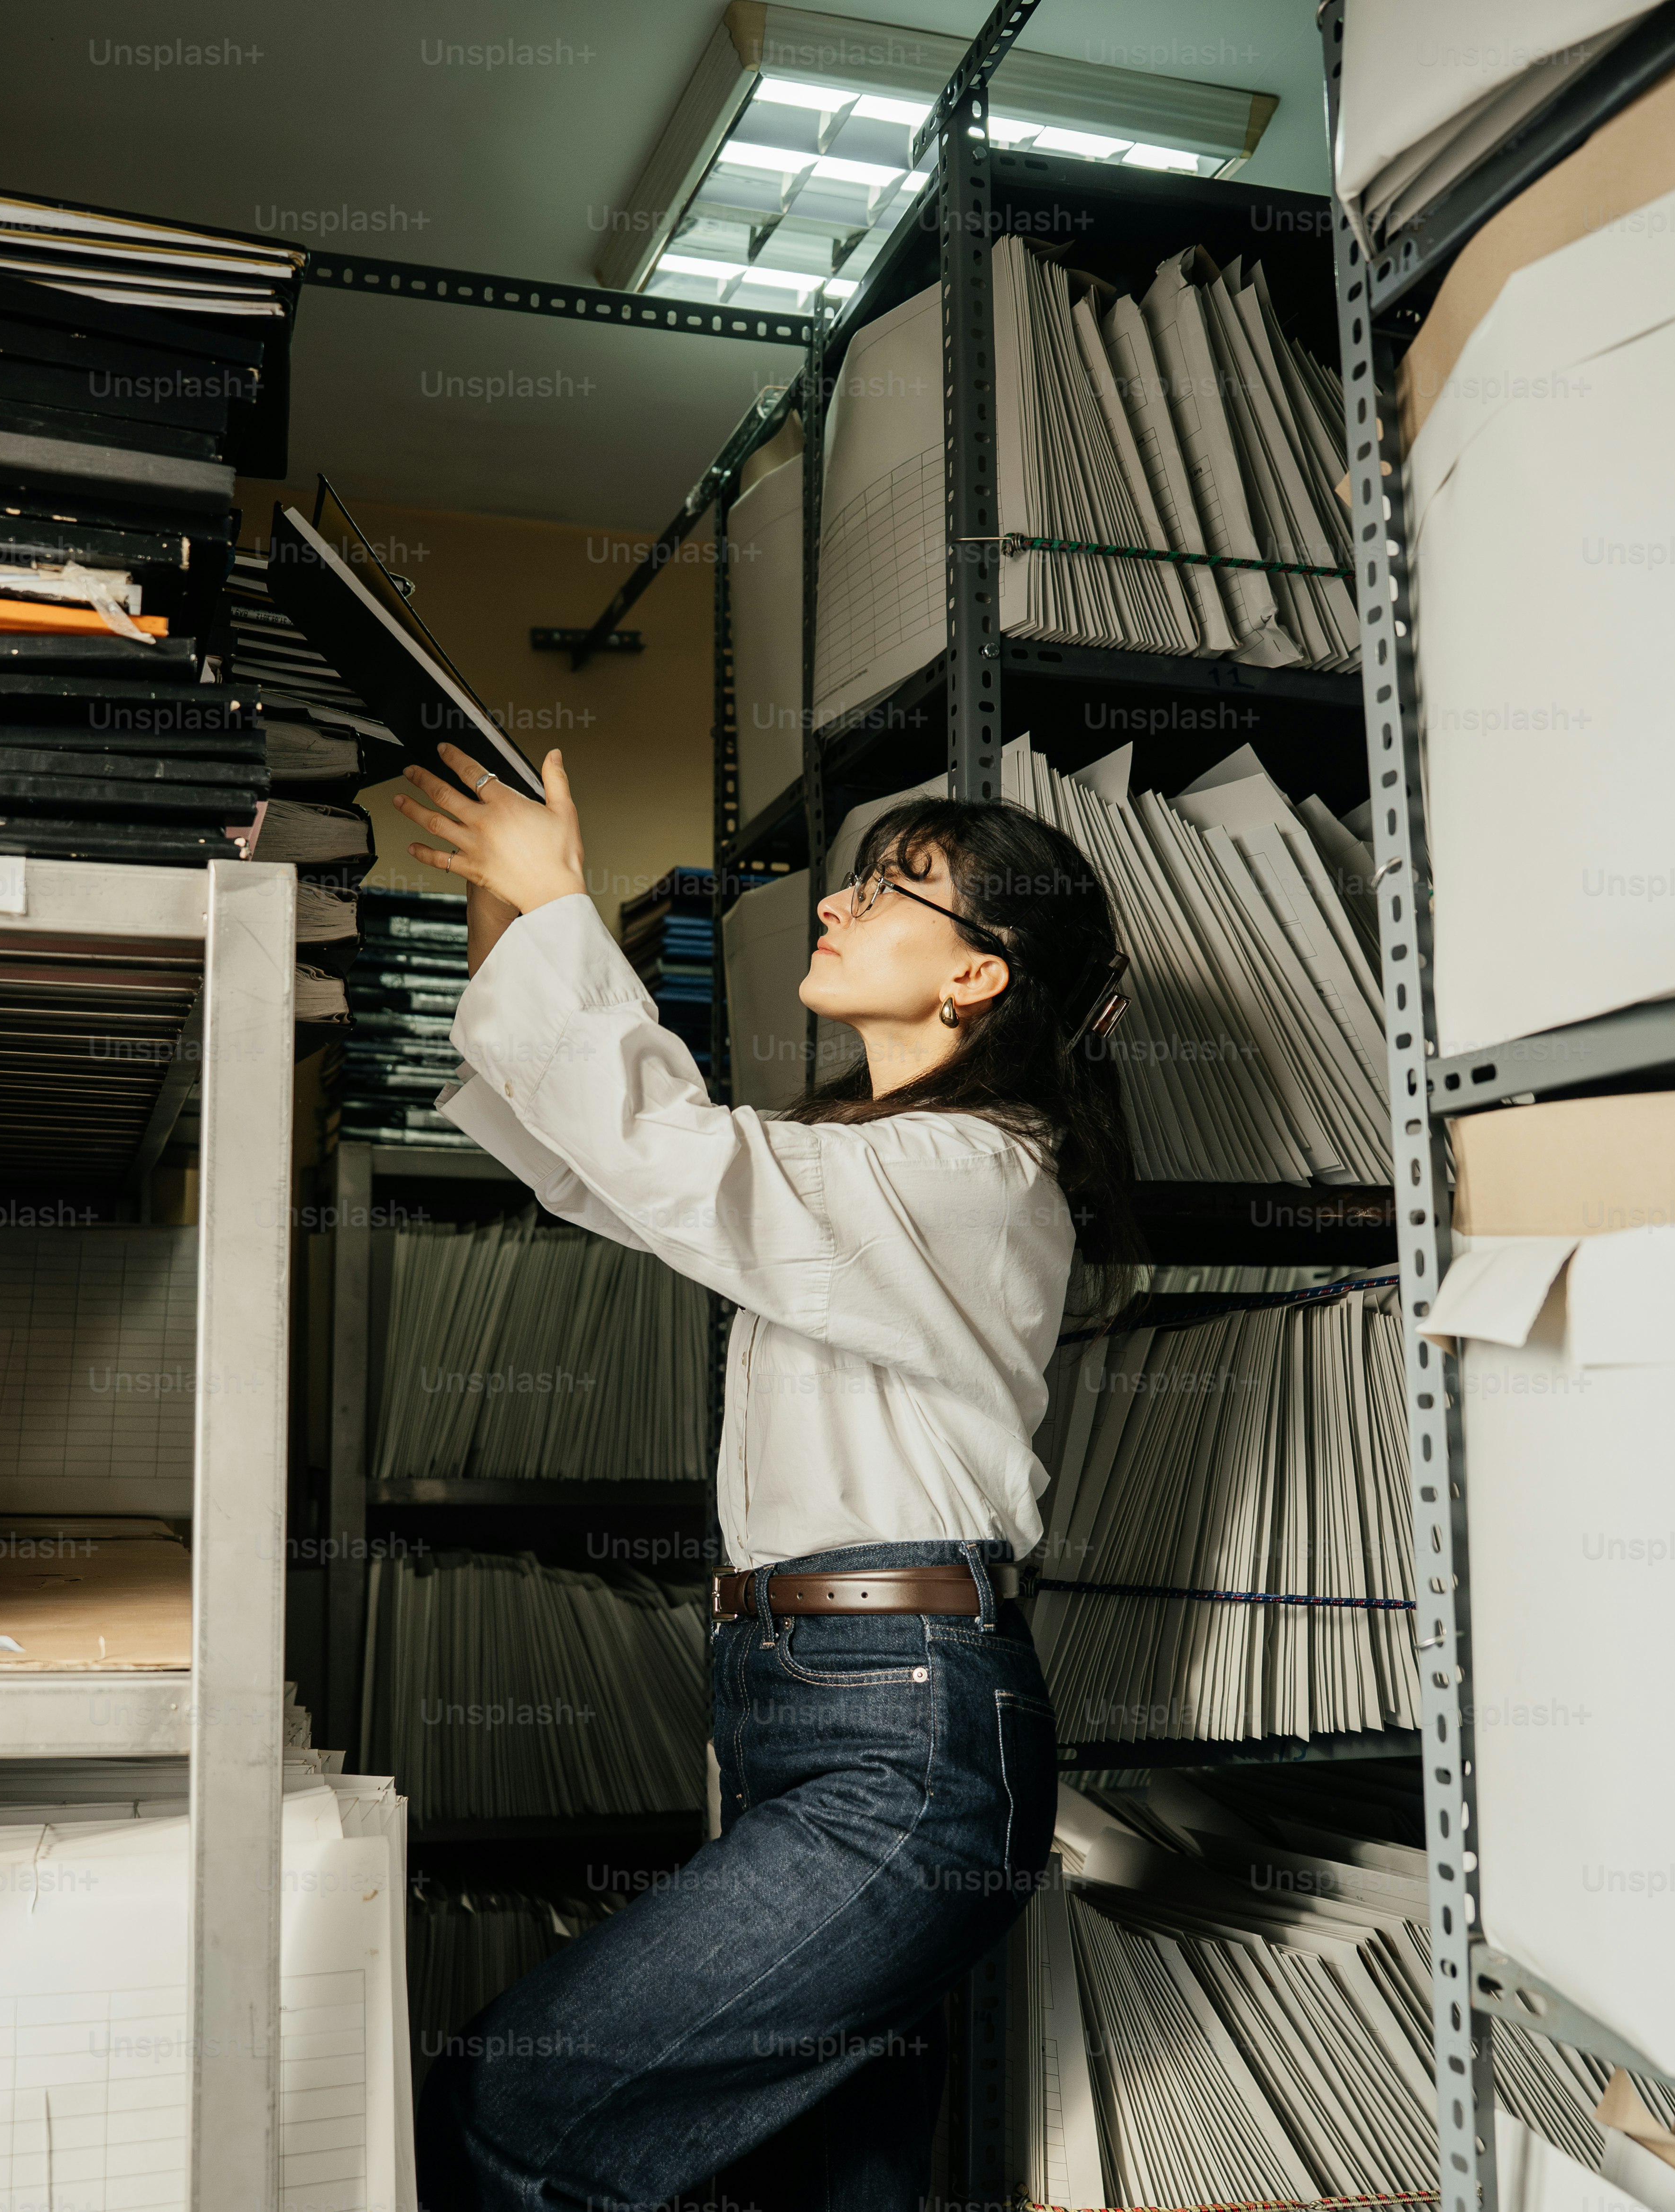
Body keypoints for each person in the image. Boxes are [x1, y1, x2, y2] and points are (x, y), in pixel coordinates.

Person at [393, 739, 1139, 2212]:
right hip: (805, 1696)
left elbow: (669, 1156)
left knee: (518, 2099)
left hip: (905, 1731)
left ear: (975, 976)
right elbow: (598, 1166)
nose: (838, 907)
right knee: (820, 2184)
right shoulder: (865, 1158)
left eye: (893, 890)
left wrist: (559, 910)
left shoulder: (973, 1174)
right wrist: (510, 901)